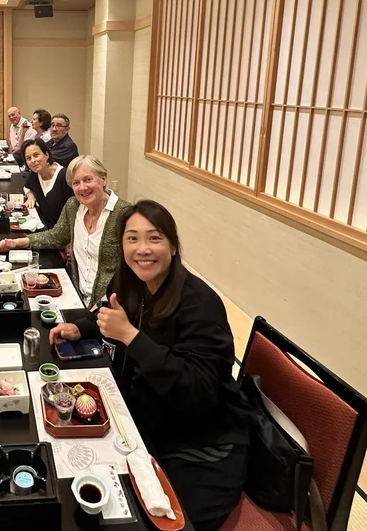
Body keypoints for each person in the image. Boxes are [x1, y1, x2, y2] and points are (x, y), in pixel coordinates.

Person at [49, 201, 249, 531]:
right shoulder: (131, 282)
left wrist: (130, 336)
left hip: (200, 445)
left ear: (172, 245)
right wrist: (80, 327)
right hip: (144, 422)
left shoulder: (200, 303)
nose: (142, 249)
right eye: (132, 239)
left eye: (154, 238)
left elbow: (199, 392)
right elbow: (105, 310)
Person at [0, 155, 130, 307]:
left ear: (104, 179)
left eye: (88, 180)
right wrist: (15, 243)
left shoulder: (124, 215)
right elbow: (56, 237)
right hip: (77, 297)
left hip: (109, 307)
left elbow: (131, 275)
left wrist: (98, 309)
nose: (82, 187)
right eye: (76, 183)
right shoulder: (74, 206)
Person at [20, 138, 73, 230]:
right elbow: (27, 187)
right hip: (44, 227)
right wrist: (30, 196)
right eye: (28, 158)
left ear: (46, 155)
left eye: (36, 155)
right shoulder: (35, 174)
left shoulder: (64, 176)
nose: (33, 160)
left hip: (63, 233)